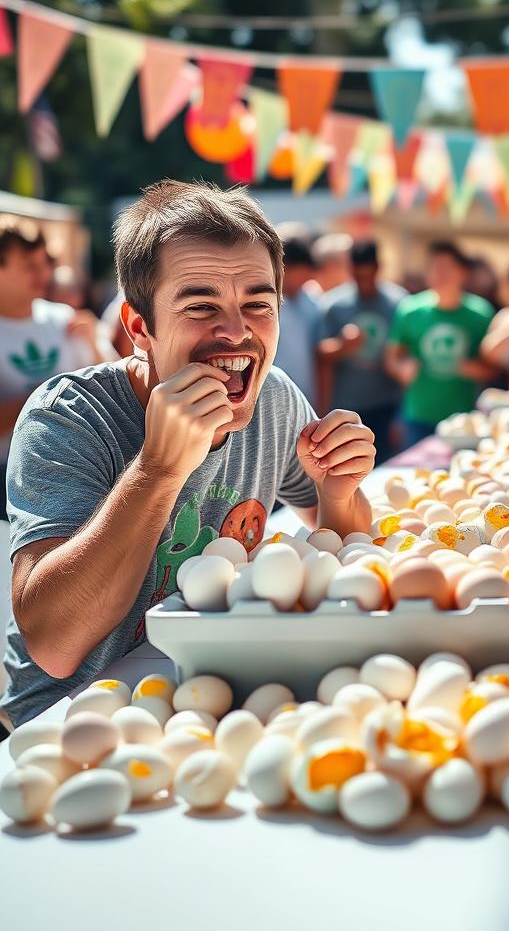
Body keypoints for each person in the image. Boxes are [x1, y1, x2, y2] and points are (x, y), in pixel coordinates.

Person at [1, 180, 375, 728]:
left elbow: (339, 547)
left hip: (208, 700)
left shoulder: (274, 399)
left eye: (258, 304)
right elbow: (55, 646)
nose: (236, 331)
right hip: (69, 722)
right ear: (138, 328)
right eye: (201, 305)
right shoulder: (68, 417)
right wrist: (158, 469)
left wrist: (337, 493)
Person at [0, 218, 105, 518]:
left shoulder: (66, 319)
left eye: (43, 263)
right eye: (28, 266)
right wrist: (47, 396)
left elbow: (108, 388)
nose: (43, 274)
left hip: (75, 469)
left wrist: (96, 345)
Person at [384, 240, 494, 446]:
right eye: (433, 268)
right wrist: (401, 369)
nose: (439, 274)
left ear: (463, 273)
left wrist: (474, 369)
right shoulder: (409, 310)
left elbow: (493, 367)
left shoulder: (481, 314)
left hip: (463, 422)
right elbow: (392, 356)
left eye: (447, 268)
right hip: (418, 415)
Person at [318, 238, 405, 461]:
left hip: (388, 406)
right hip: (348, 408)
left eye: (368, 276)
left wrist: (403, 415)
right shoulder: (334, 305)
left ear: (378, 268)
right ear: (350, 270)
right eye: (358, 276)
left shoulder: (399, 303)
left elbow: (406, 356)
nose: (364, 282)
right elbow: (321, 354)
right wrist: (343, 346)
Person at [275, 229, 321, 404]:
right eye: (302, 273)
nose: (306, 279)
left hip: (307, 400)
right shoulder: (263, 307)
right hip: (274, 398)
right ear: (284, 269)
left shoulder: (312, 302)